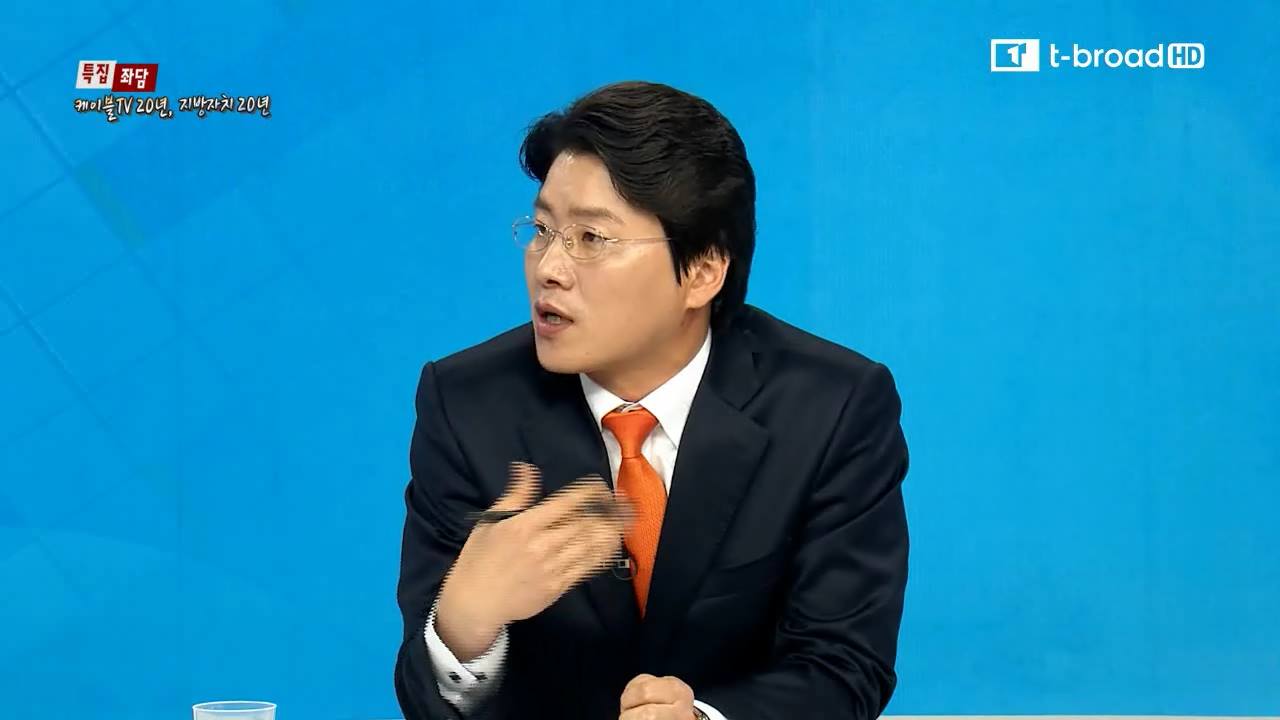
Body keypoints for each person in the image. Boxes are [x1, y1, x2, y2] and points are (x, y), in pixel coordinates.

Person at [393, 80, 909, 720]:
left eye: (591, 238)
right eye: (543, 229)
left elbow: (843, 667)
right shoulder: (467, 404)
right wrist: (463, 624)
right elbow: (426, 700)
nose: (548, 267)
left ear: (703, 272)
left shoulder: (831, 407)